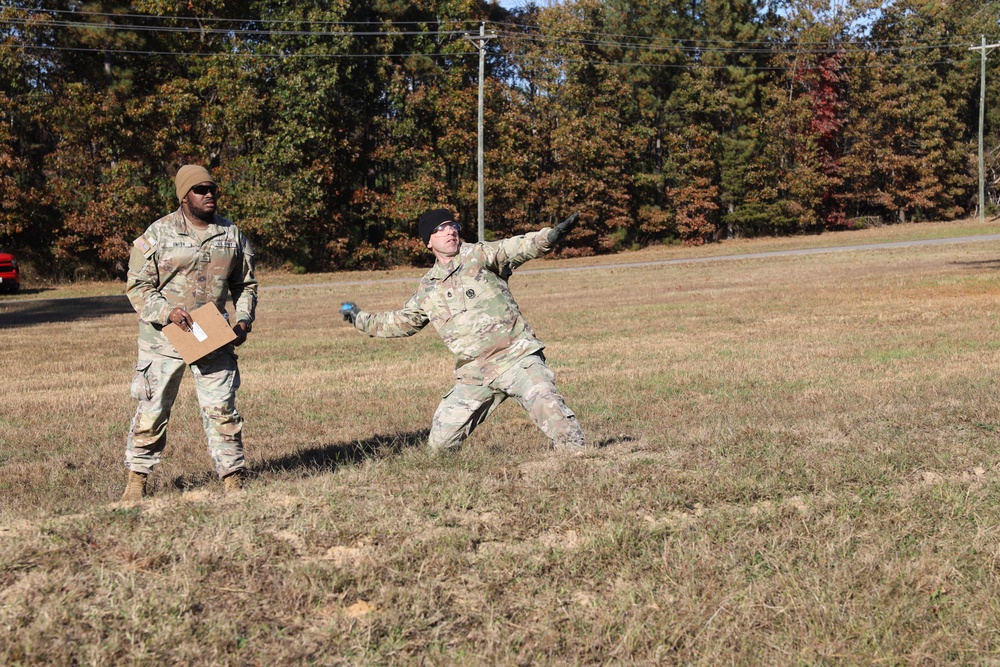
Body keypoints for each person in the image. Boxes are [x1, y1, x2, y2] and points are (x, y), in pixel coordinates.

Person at [341, 208, 587, 454]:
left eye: (452, 225)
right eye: (440, 228)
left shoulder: (477, 255)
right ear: (429, 241)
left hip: (516, 357)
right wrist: (358, 318)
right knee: (439, 449)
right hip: (474, 374)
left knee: (558, 420)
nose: (449, 231)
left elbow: (514, 247)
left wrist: (549, 236)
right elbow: (401, 322)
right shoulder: (428, 288)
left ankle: (578, 460)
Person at [120, 165, 258, 501]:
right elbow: (137, 285)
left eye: (212, 189)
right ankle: (137, 483)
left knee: (222, 409)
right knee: (151, 412)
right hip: (164, 340)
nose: (209, 195)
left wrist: (243, 319)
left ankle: (233, 481)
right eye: (200, 190)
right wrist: (167, 312)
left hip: (213, 337)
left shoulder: (231, 234)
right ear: (184, 196)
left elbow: (245, 284)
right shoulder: (159, 233)